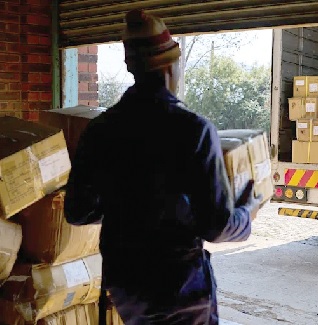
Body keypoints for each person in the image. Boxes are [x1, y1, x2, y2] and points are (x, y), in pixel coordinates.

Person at [64, 9, 261, 325]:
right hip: (178, 291)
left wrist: (129, 203)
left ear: (132, 68)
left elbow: (77, 210)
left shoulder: (100, 130)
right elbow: (218, 226)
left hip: (126, 288)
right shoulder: (194, 130)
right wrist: (246, 214)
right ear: (171, 65)